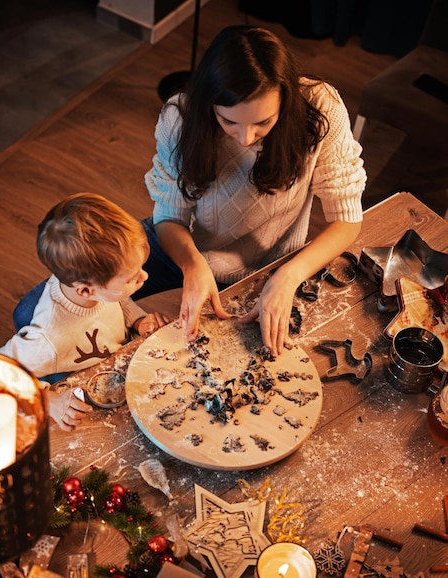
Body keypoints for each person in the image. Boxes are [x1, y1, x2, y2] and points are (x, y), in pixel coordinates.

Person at [134, 24, 366, 357]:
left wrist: (288, 276)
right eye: (228, 122)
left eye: (263, 123)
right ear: (209, 104)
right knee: (48, 303)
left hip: (273, 265)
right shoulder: (181, 117)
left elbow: (347, 220)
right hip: (189, 245)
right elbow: (169, 216)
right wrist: (191, 265)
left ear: (285, 101)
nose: (245, 138)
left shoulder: (320, 107)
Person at [0, 193, 171, 431]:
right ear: (87, 291)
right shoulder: (49, 339)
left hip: (118, 364)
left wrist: (138, 320)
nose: (145, 276)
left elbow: (117, 300)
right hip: (87, 397)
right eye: (132, 278)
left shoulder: (93, 285)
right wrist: (49, 402)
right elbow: (1, 373)